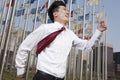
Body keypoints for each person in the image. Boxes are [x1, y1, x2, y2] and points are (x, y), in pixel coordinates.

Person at [15, 1, 107, 80]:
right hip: (43, 77)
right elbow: (24, 47)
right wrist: (20, 69)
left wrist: (99, 31)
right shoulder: (45, 28)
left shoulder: (70, 34)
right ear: (55, 14)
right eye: (64, 9)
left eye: (67, 10)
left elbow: (88, 47)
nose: (67, 12)